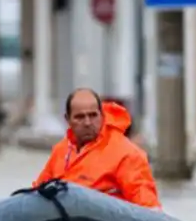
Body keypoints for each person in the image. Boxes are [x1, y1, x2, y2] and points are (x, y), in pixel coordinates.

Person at [32, 88, 160, 208]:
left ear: (102, 115)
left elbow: (148, 207)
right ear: (68, 119)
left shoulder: (126, 154)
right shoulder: (61, 151)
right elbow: (37, 192)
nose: (87, 123)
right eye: (80, 117)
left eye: (93, 115)